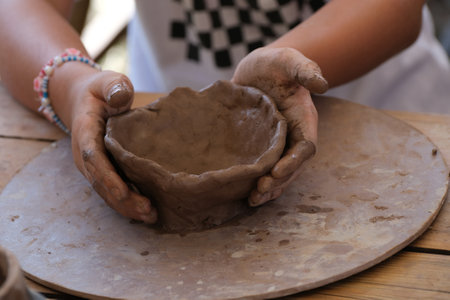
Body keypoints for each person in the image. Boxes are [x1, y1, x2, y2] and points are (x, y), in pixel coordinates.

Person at [0, 0, 439, 225]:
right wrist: (71, 86)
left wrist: (293, 62)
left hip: (373, 98)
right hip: (164, 89)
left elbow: (399, 8)